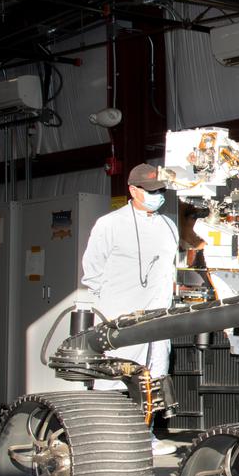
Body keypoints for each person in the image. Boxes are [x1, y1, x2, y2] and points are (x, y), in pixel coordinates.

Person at [82, 163, 180, 456]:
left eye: (160, 191)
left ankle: (144, 437)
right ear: (133, 190)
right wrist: (107, 308)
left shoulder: (168, 225)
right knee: (113, 377)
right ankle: (103, 438)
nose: (157, 196)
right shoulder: (109, 224)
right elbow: (92, 271)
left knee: (152, 377)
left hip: (158, 315)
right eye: (150, 191)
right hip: (119, 315)